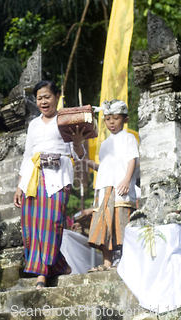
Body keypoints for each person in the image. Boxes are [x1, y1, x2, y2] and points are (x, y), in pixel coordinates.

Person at [13, 80, 89, 289]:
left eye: (47, 97)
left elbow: (79, 156)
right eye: (39, 98)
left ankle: (41, 275)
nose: (43, 102)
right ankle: (60, 267)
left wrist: (77, 142)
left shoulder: (66, 120)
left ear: (57, 96)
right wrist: (20, 185)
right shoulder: (34, 125)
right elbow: (28, 155)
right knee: (32, 224)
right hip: (33, 177)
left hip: (58, 177)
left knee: (52, 223)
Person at [83, 99, 139, 272]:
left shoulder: (129, 137)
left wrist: (126, 179)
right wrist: (88, 163)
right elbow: (105, 168)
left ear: (125, 119)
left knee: (121, 221)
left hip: (120, 187)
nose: (111, 122)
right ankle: (107, 263)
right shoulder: (105, 144)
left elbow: (132, 160)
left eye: (115, 118)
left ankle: (123, 260)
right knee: (104, 223)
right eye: (107, 119)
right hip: (104, 187)